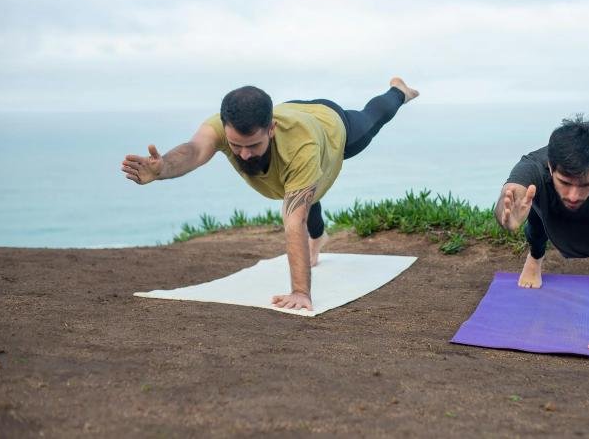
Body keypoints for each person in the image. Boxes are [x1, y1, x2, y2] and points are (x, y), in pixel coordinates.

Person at [121, 77, 419, 312]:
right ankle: (319, 240)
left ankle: (399, 91)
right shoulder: (221, 128)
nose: (245, 154)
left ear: (271, 129)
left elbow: (293, 222)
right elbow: (195, 150)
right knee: (299, 189)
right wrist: (161, 170)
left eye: (253, 145)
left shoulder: (300, 148)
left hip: (330, 125)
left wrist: (300, 292)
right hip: (295, 120)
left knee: (373, 117)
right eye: (236, 145)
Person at [494, 71, 589, 357]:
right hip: (546, 212)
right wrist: (505, 218)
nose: (574, 195)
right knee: (534, 206)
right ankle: (535, 257)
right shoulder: (534, 165)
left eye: (585, 185)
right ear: (550, 166)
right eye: (565, 183)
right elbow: (508, 197)